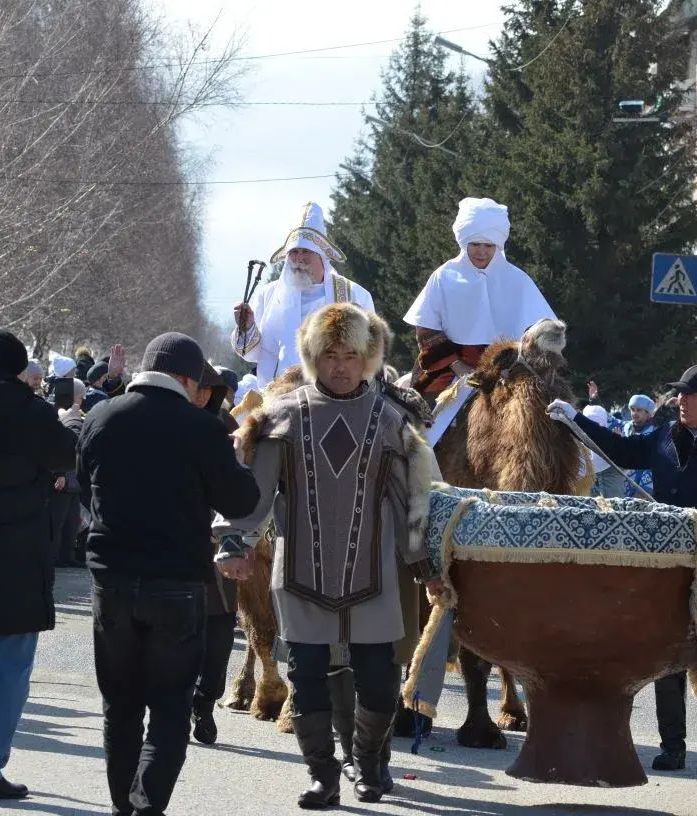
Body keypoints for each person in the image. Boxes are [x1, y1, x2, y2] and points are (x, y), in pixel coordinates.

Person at [214, 303, 443, 809]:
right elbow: (254, 494)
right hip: (299, 576)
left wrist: (426, 567)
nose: (340, 365)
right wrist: (236, 543)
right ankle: (323, 775)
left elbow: (412, 502)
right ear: (313, 357)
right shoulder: (283, 416)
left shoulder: (392, 420)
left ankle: (365, 764)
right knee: (307, 679)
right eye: (330, 355)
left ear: (368, 358)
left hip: (375, 577)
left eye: (350, 355)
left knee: (381, 683)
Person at [78, 332, 260, 816]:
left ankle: (123, 806)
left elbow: (84, 489)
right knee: (170, 709)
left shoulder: (101, 416)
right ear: (186, 379)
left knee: (120, 707)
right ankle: (146, 805)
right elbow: (241, 501)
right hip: (176, 584)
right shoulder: (200, 429)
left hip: (111, 580)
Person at [548, 364, 697, 773]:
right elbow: (621, 452)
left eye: (688, 394)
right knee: (669, 652)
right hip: (670, 564)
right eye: (678, 394)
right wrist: (574, 419)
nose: (680, 401)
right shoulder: (665, 436)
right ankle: (672, 744)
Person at [0, 330, 78, 800]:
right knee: (11, 667)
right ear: (17, 368)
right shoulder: (31, 411)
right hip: (16, 556)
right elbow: (65, 456)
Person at [403, 197, 555, 403]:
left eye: (488, 245)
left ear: (498, 246)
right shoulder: (444, 276)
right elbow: (427, 330)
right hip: (450, 366)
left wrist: (513, 366)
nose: (481, 251)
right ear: (464, 242)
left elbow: (538, 332)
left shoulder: (518, 279)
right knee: (423, 419)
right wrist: (459, 367)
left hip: (508, 368)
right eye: (475, 244)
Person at [233, 202, 375, 387]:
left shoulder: (354, 295)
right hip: (277, 399)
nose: (299, 258)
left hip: (335, 397)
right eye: (294, 252)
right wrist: (247, 327)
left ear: (320, 256)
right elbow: (251, 354)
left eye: (306, 251)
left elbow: (371, 352)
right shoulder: (268, 295)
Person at [189, 364, 241, 746]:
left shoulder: (227, 430)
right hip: (173, 552)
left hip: (217, 546)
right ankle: (175, 704)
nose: (204, 395)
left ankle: (205, 703)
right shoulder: (164, 424)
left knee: (219, 638)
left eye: (211, 389)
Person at [50, 378, 88, 567]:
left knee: (72, 521)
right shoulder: (58, 413)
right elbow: (59, 446)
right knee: (58, 520)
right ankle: (54, 556)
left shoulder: (76, 413)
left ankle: (67, 555)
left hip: (73, 477)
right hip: (63, 475)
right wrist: (60, 474)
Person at [582, 404, 627, 498]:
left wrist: (621, 448)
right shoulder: (581, 449)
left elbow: (626, 469)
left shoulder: (613, 444)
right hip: (589, 505)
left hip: (614, 504)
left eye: (598, 425)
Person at [622, 394, 657, 499]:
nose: (634, 413)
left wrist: (644, 490)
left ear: (648, 414)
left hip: (644, 490)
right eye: (632, 410)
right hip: (624, 484)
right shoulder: (626, 427)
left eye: (639, 410)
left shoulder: (655, 432)